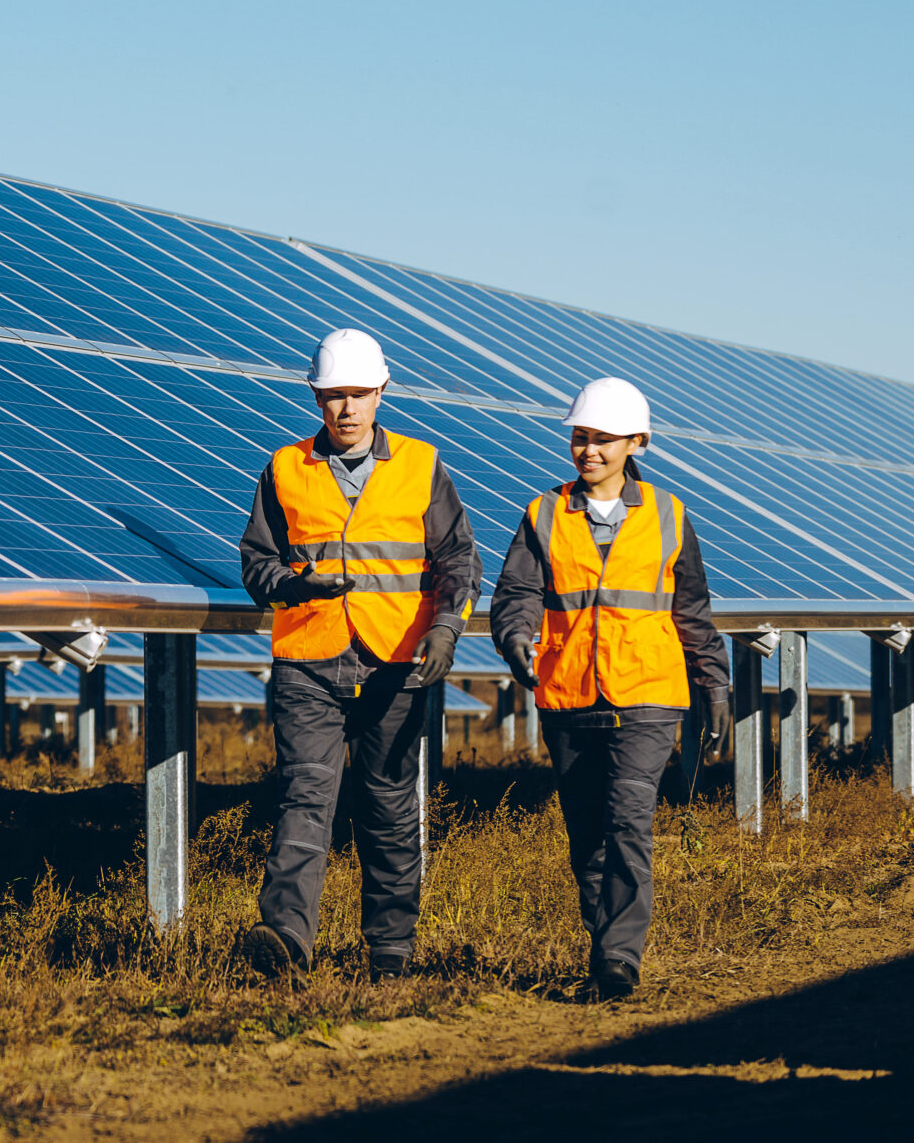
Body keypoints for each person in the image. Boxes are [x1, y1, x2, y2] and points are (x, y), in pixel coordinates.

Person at [235, 329, 482, 980]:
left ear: (381, 393)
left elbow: (457, 559)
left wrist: (446, 629)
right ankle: (286, 939)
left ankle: (390, 949)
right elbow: (256, 561)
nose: (346, 408)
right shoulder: (284, 467)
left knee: (389, 804)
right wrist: (291, 584)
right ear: (317, 397)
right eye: (333, 395)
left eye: (358, 394)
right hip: (308, 658)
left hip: (397, 661)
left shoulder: (423, 466)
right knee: (304, 798)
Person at [488, 377, 731, 1000]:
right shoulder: (543, 513)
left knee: (628, 823)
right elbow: (515, 594)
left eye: (601, 439)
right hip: (569, 695)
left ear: (637, 443)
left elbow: (693, 614)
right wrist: (515, 638)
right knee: (587, 835)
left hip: (648, 695)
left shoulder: (670, 516)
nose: (587, 450)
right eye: (580, 437)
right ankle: (605, 949)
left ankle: (620, 959)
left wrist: (715, 688)